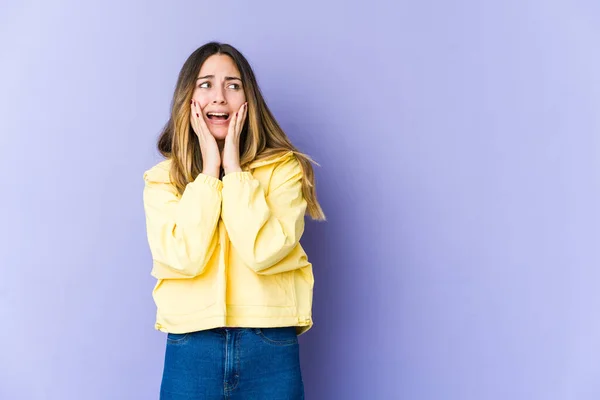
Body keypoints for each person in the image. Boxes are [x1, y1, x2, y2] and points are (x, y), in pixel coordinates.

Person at [142, 41, 325, 399]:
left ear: (248, 100)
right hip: (192, 344)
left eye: (233, 84)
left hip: (269, 343)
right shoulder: (163, 179)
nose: (220, 97)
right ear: (188, 98)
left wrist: (235, 171)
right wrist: (210, 172)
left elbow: (262, 252)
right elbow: (184, 257)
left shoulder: (284, 170)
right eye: (206, 83)